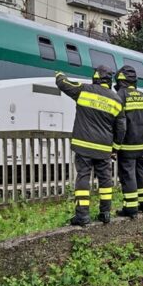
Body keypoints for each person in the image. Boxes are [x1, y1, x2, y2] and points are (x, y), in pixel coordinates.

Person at [56, 66, 126, 226]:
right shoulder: (116, 100)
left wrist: (59, 73)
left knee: (83, 178)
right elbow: (121, 128)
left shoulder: (84, 90)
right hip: (104, 149)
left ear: (96, 77)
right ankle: (105, 213)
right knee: (105, 179)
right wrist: (115, 147)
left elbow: (64, 84)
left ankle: (82, 215)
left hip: (83, 146)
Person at [114, 65, 143, 218]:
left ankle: (131, 209)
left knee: (128, 176)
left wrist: (115, 146)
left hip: (126, 146)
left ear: (120, 81)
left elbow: (118, 124)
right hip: (142, 147)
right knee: (140, 174)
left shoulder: (120, 96)